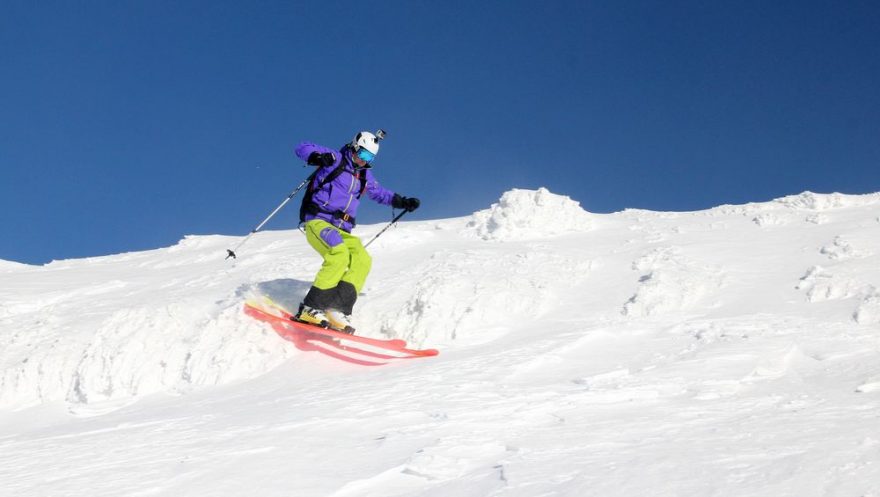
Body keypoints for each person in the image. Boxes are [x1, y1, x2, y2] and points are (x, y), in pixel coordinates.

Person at [293, 130, 420, 334]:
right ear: (354, 146)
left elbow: (380, 194)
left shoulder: (364, 176)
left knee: (362, 258)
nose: (364, 160)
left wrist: (402, 201)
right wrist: (317, 157)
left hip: (343, 228)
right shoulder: (335, 159)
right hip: (318, 221)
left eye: (369, 157)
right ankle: (310, 307)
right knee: (339, 254)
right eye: (362, 154)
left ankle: (336, 308)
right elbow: (303, 147)